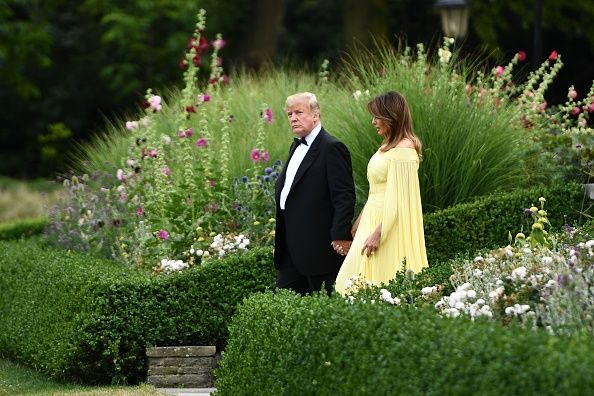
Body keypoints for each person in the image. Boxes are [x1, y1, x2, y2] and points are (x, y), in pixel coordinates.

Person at [335, 91, 428, 295]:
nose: (374, 122)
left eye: (378, 117)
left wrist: (379, 233)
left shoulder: (404, 149)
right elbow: (375, 192)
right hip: (373, 217)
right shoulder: (386, 146)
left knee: (375, 281)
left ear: (391, 117)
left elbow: (402, 199)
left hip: (388, 225)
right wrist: (358, 224)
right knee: (350, 282)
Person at [274, 92, 356, 296]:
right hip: (291, 249)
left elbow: (344, 196)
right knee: (285, 303)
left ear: (316, 115)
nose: (293, 118)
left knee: (327, 306)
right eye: (289, 114)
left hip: (321, 250)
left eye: (299, 112)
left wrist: (340, 235)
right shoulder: (296, 146)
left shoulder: (332, 147)